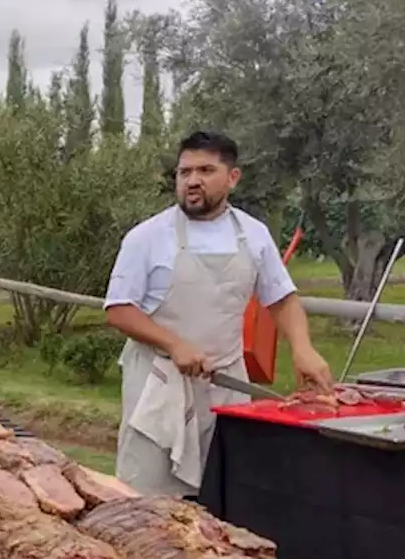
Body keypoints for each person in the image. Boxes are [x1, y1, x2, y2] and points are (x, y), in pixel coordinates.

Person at [104, 130, 333, 497]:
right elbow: (118, 310)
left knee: (225, 495)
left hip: (226, 385)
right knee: (145, 500)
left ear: (232, 177)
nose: (192, 181)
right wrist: (173, 343)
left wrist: (302, 348)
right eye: (184, 172)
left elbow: (283, 299)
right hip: (158, 385)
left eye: (205, 170)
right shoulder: (146, 237)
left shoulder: (253, 235)